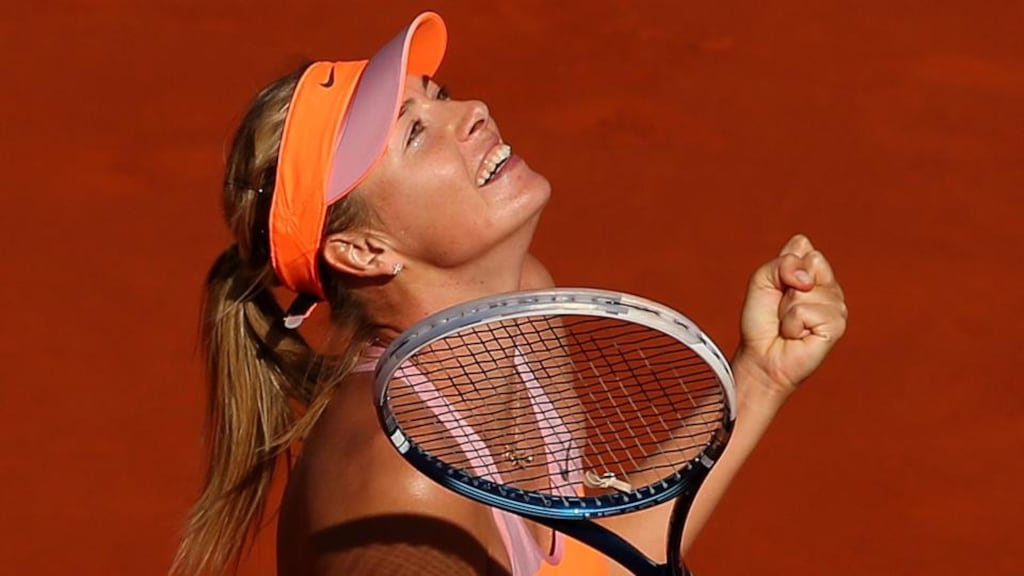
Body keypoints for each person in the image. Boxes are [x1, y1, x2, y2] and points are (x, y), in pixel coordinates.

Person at [171, 11, 847, 576]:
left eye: (438, 94)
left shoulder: (525, 306)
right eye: (414, 130)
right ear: (362, 250)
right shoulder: (396, 491)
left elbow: (592, 557)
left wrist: (761, 374)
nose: (471, 111)